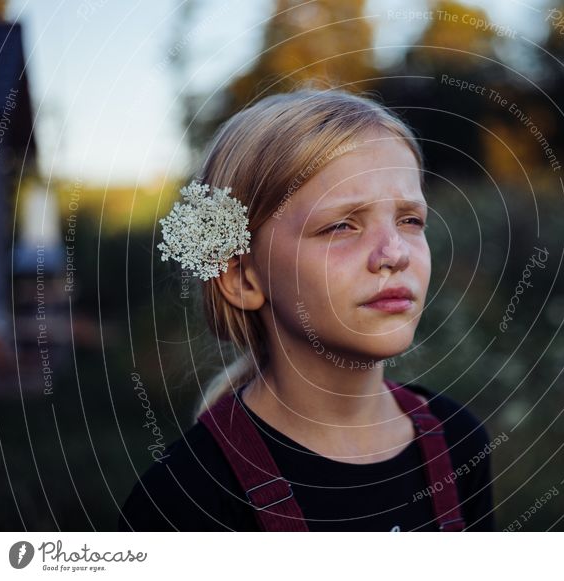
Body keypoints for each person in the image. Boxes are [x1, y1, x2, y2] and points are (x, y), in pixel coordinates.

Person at [118, 86, 496, 532]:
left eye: (410, 220)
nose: (395, 253)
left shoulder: (456, 441)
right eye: (341, 225)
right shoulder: (186, 500)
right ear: (243, 278)